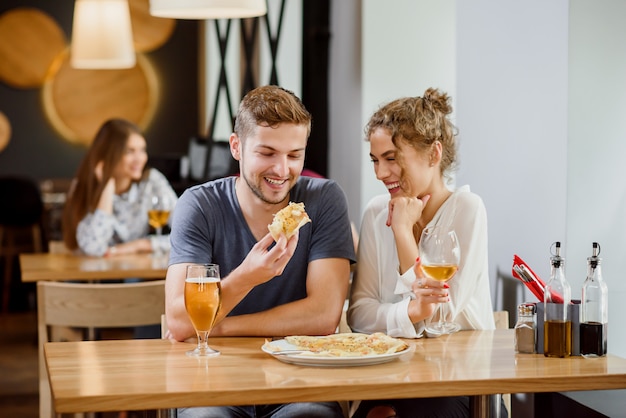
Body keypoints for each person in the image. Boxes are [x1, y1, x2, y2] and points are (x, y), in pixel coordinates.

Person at [165, 85, 356, 418]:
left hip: (300, 381)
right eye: (267, 153)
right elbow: (180, 319)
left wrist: (215, 326)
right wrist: (247, 277)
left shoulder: (325, 200)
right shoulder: (198, 205)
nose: (282, 170)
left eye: (294, 155)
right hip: (213, 382)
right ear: (236, 147)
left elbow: (325, 316)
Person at [347, 88, 503, 418]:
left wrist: (403, 233)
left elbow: (439, 318)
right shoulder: (376, 212)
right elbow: (359, 314)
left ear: (433, 154)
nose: (380, 173)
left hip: (461, 381)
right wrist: (411, 313)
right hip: (389, 377)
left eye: (391, 158)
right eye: (375, 160)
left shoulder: (467, 209)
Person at [62, 118, 178, 257]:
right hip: (97, 276)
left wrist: (140, 245)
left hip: (139, 274)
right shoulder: (83, 187)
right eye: (129, 151)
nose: (139, 158)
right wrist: (107, 186)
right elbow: (94, 248)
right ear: (110, 155)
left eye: (142, 150)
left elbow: (189, 233)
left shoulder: (152, 181)